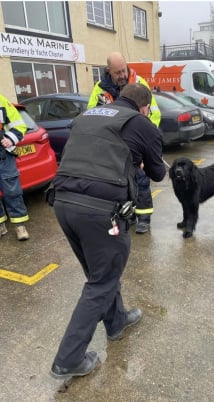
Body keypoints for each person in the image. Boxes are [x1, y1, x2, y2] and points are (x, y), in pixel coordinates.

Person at [50, 83, 166, 379]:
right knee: (100, 282)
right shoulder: (142, 123)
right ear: (144, 107)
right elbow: (158, 173)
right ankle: (68, 358)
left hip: (62, 202)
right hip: (100, 212)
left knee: (101, 274)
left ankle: (116, 322)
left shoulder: (88, 115)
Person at [87, 51, 161, 234]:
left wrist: (145, 141)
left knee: (141, 181)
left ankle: (144, 218)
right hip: (114, 147)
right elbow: (92, 114)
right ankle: (129, 215)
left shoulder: (139, 83)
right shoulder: (99, 89)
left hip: (136, 143)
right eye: (117, 72)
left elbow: (153, 113)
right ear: (108, 71)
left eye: (124, 70)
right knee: (121, 184)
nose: (122, 75)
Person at [0, 93, 29, 241]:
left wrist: (11, 138)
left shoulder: (1, 100)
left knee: (12, 192)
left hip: (3, 155)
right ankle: (1, 225)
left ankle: (20, 226)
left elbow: (19, 123)